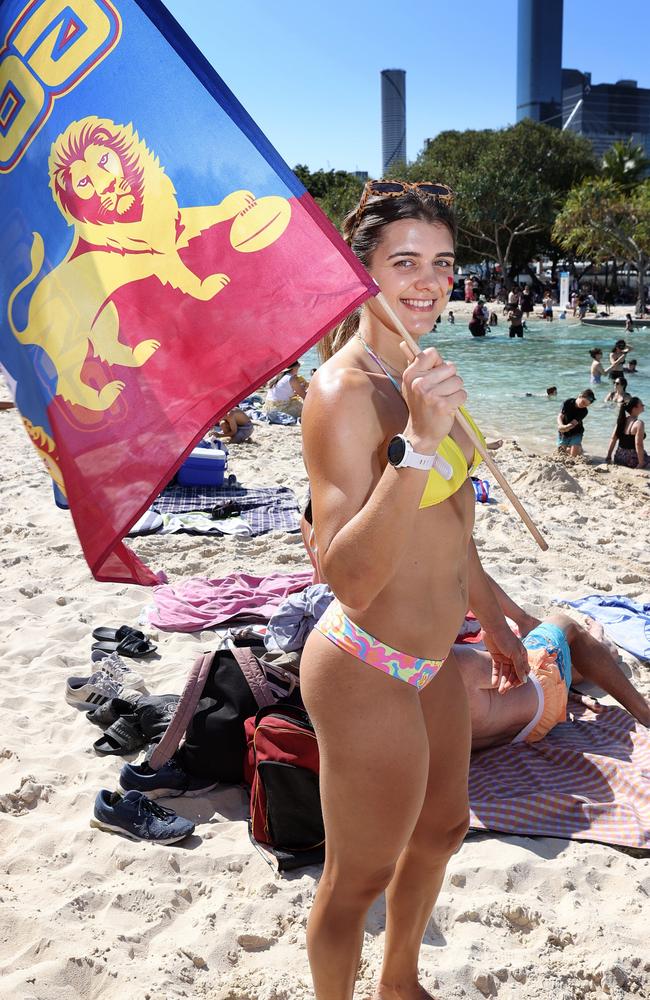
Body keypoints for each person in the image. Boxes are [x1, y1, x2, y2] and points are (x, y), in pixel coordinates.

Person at [300, 178, 528, 1000]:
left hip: (439, 658)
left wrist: (495, 624)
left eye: (443, 262)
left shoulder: (432, 374)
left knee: (441, 829)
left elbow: (454, 531)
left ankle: (400, 983)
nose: (430, 281)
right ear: (363, 274)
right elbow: (348, 577)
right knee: (356, 878)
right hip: (365, 662)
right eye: (405, 262)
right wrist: (420, 445)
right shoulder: (344, 395)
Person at [455, 611, 650, 750]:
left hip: (500, 738)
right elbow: (521, 669)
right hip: (543, 704)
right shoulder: (454, 662)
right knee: (564, 624)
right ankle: (644, 712)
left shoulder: (426, 682)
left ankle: (601, 647)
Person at [606, 396, 650, 469]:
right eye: (641, 405)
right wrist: (641, 463)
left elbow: (613, 439)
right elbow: (638, 444)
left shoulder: (621, 421)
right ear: (634, 408)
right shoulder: (639, 423)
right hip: (632, 460)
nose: (643, 406)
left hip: (619, 458)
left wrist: (608, 456)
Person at [557, 389, 595, 457]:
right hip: (563, 432)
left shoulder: (584, 411)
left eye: (586, 405)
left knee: (573, 455)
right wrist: (561, 425)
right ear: (580, 396)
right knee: (561, 453)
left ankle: (578, 448)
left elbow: (573, 423)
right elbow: (560, 416)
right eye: (583, 402)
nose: (583, 406)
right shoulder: (567, 402)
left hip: (576, 432)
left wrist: (566, 427)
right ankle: (575, 447)